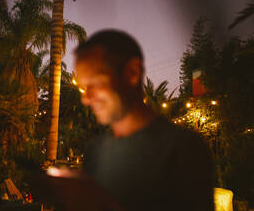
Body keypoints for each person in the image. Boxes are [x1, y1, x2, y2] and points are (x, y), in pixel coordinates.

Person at [73, 29, 214, 211]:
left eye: (96, 82)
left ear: (132, 72)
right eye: (84, 87)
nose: (86, 98)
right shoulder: (95, 151)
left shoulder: (184, 148)